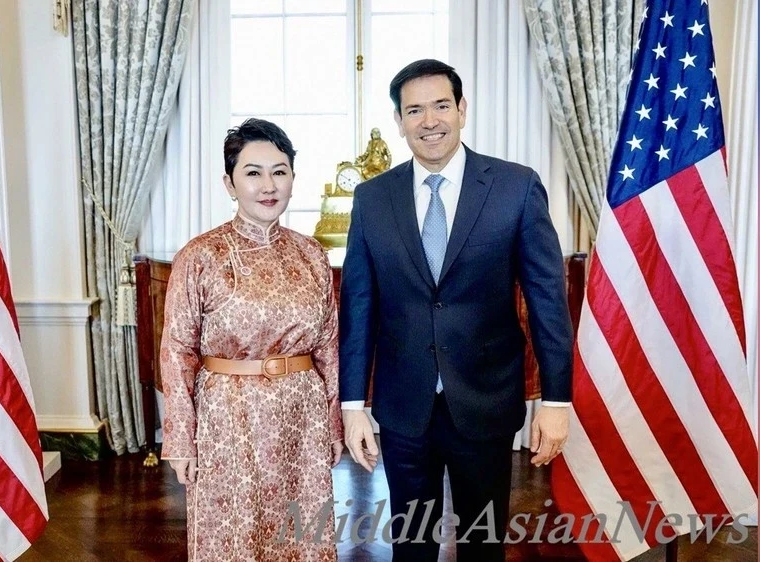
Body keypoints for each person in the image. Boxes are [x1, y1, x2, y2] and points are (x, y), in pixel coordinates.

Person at [339, 59, 574, 561]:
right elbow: (358, 306)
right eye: (414, 110)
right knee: (412, 546)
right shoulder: (372, 199)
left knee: (483, 545)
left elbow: (547, 300)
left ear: (462, 110)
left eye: (441, 106)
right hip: (404, 408)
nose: (429, 121)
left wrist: (556, 402)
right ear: (399, 121)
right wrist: (352, 406)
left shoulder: (516, 187)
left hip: (486, 402)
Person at [160, 118, 344, 561]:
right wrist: (181, 440)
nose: (268, 185)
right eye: (253, 172)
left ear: (293, 178)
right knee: (235, 536)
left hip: (302, 419)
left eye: (279, 171)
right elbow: (178, 350)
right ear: (230, 183)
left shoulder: (311, 254)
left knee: (300, 536)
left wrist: (333, 423)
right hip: (228, 418)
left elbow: (328, 347)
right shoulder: (200, 256)